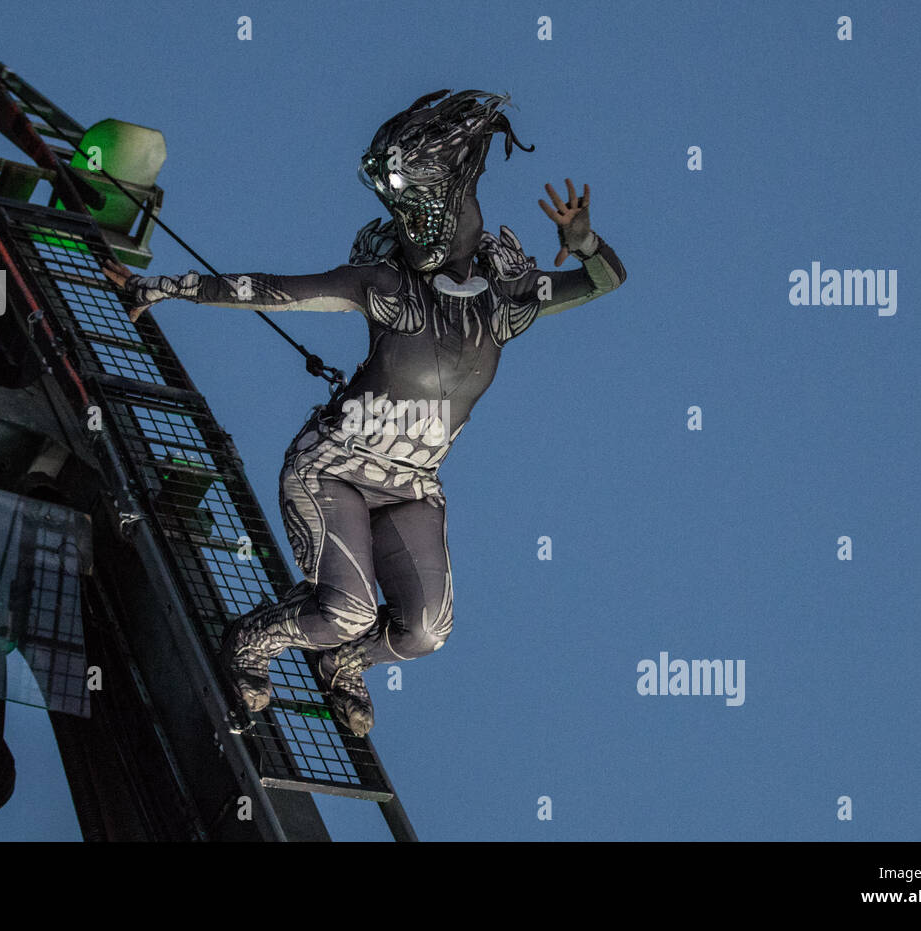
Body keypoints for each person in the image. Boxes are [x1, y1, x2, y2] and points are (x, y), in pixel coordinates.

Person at [104, 89, 627, 737]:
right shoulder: (386, 287)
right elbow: (274, 290)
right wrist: (171, 287)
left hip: (412, 485)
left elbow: (607, 280)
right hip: (335, 471)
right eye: (400, 213)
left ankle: (342, 664)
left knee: (427, 631)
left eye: (413, 207)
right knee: (349, 608)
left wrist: (583, 240)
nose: (408, 224)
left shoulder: (504, 301)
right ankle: (251, 641)